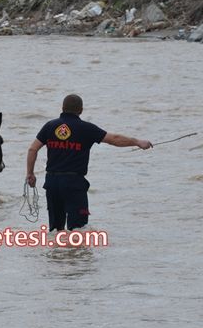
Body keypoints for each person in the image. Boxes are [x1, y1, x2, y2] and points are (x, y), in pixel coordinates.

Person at [25, 94, 152, 231]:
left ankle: (57, 252)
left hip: (52, 183)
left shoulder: (50, 126)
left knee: (57, 230)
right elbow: (114, 138)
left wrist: (30, 174)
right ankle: (75, 252)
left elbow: (33, 149)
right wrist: (137, 142)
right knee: (78, 229)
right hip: (74, 184)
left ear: (62, 108)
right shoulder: (86, 128)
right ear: (81, 110)